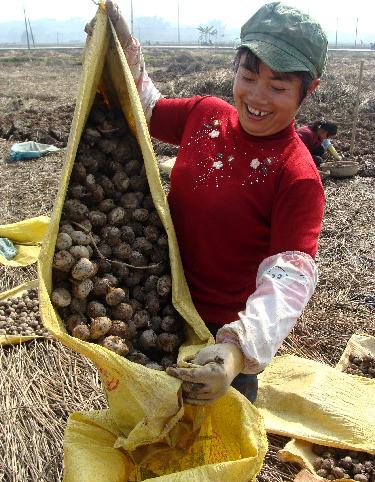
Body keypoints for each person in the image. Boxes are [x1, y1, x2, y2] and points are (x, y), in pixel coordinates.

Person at [89, 1, 328, 406]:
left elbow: (290, 278)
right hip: (159, 303)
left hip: (224, 329)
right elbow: (143, 105)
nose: (257, 97)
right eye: (248, 75)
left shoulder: (296, 174)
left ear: (309, 89)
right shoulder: (206, 116)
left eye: (278, 86)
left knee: (216, 444)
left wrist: (236, 352)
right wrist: (121, 46)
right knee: (149, 421)